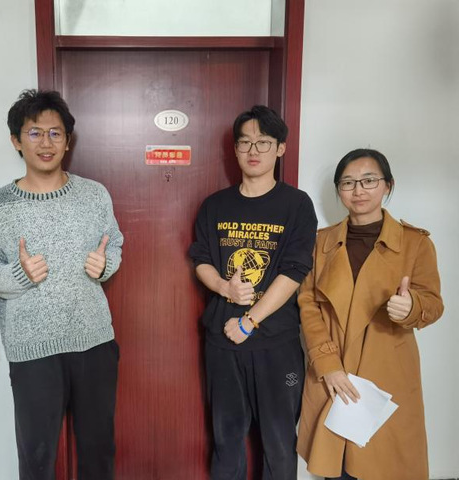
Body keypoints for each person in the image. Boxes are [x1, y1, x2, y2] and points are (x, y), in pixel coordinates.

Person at [0, 89, 123, 480]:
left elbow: (114, 243)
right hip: (33, 351)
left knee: (98, 452)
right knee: (37, 457)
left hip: (94, 342)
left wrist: (105, 264)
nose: (46, 143)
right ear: (16, 140)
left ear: (68, 141)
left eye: (55, 133)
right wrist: (20, 274)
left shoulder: (94, 194)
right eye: (35, 133)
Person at [297, 148, 444, 480]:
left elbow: (433, 303)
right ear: (339, 190)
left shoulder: (415, 243)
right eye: (348, 182)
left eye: (369, 180)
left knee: (385, 466)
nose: (358, 190)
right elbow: (308, 304)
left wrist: (411, 307)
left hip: (387, 373)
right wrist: (328, 366)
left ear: (388, 185)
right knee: (336, 467)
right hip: (333, 369)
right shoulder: (320, 243)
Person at [189, 105, 317, 480]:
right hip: (222, 342)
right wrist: (224, 287)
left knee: (279, 442)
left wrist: (249, 321)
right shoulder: (215, 205)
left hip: (276, 343)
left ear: (280, 148)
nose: (253, 150)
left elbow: (294, 271)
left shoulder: (297, 205)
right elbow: (201, 260)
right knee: (226, 440)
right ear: (235, 149)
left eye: (263, 142)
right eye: (245, 142)